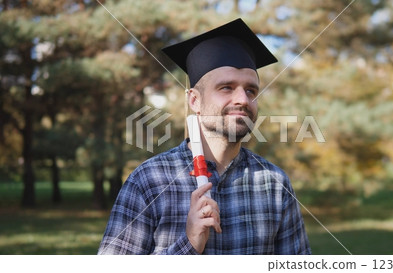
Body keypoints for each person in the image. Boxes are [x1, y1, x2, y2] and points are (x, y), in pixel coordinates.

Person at [98, 18, 311, 255]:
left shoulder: (274, 184)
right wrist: (188, 244)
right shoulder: (149, 181)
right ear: (194, 101)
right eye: (226, 88)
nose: (242, 99)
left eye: (251, 90)